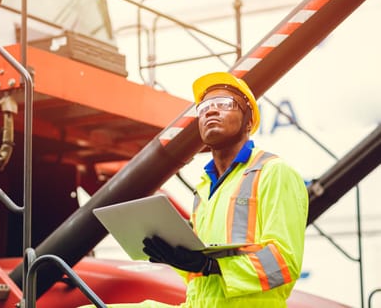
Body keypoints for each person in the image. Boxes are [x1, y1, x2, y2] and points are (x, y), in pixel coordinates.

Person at [81, 71, 308, 308]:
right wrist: (174, 256)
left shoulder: (274, 172)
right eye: (204, 107)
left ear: (248, 121)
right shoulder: (205, 187)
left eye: (223, 104)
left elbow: (283, 263)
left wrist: (208, 265)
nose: (210, 110)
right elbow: (198, 274)